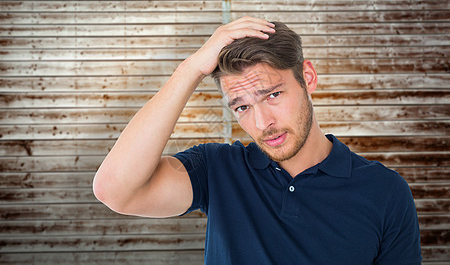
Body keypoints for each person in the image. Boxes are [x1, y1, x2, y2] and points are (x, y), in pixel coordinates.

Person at [93, 17, 422, 264]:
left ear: (307, 78)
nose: (263, 123)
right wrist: (190, 69)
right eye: (242, 107)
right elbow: (115, 190)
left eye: (273, 94)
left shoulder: (385, 192)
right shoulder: (218, 169)